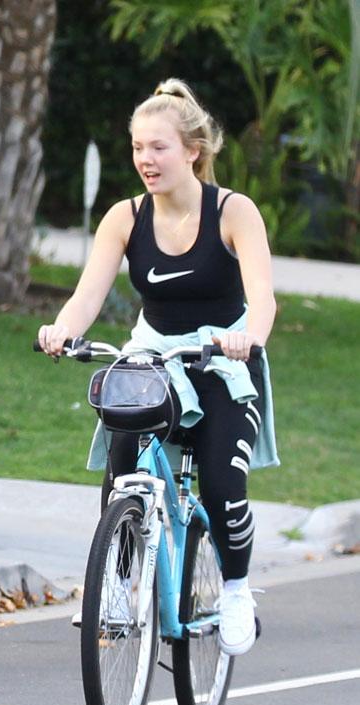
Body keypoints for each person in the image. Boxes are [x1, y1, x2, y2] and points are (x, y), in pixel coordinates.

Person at [37, 78, 278, 657]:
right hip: (153, 359)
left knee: (223, 485)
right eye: (139, 148)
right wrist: (63, 329)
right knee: (122, 470)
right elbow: (87, 295)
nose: (146, 159)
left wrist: (249, 339)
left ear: (193, 150)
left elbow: (263, 298)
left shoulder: (233, 211)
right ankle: (119, 583)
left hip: (221, 362)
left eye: (159, 147)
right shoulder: (124, 217)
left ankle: (238, 590)